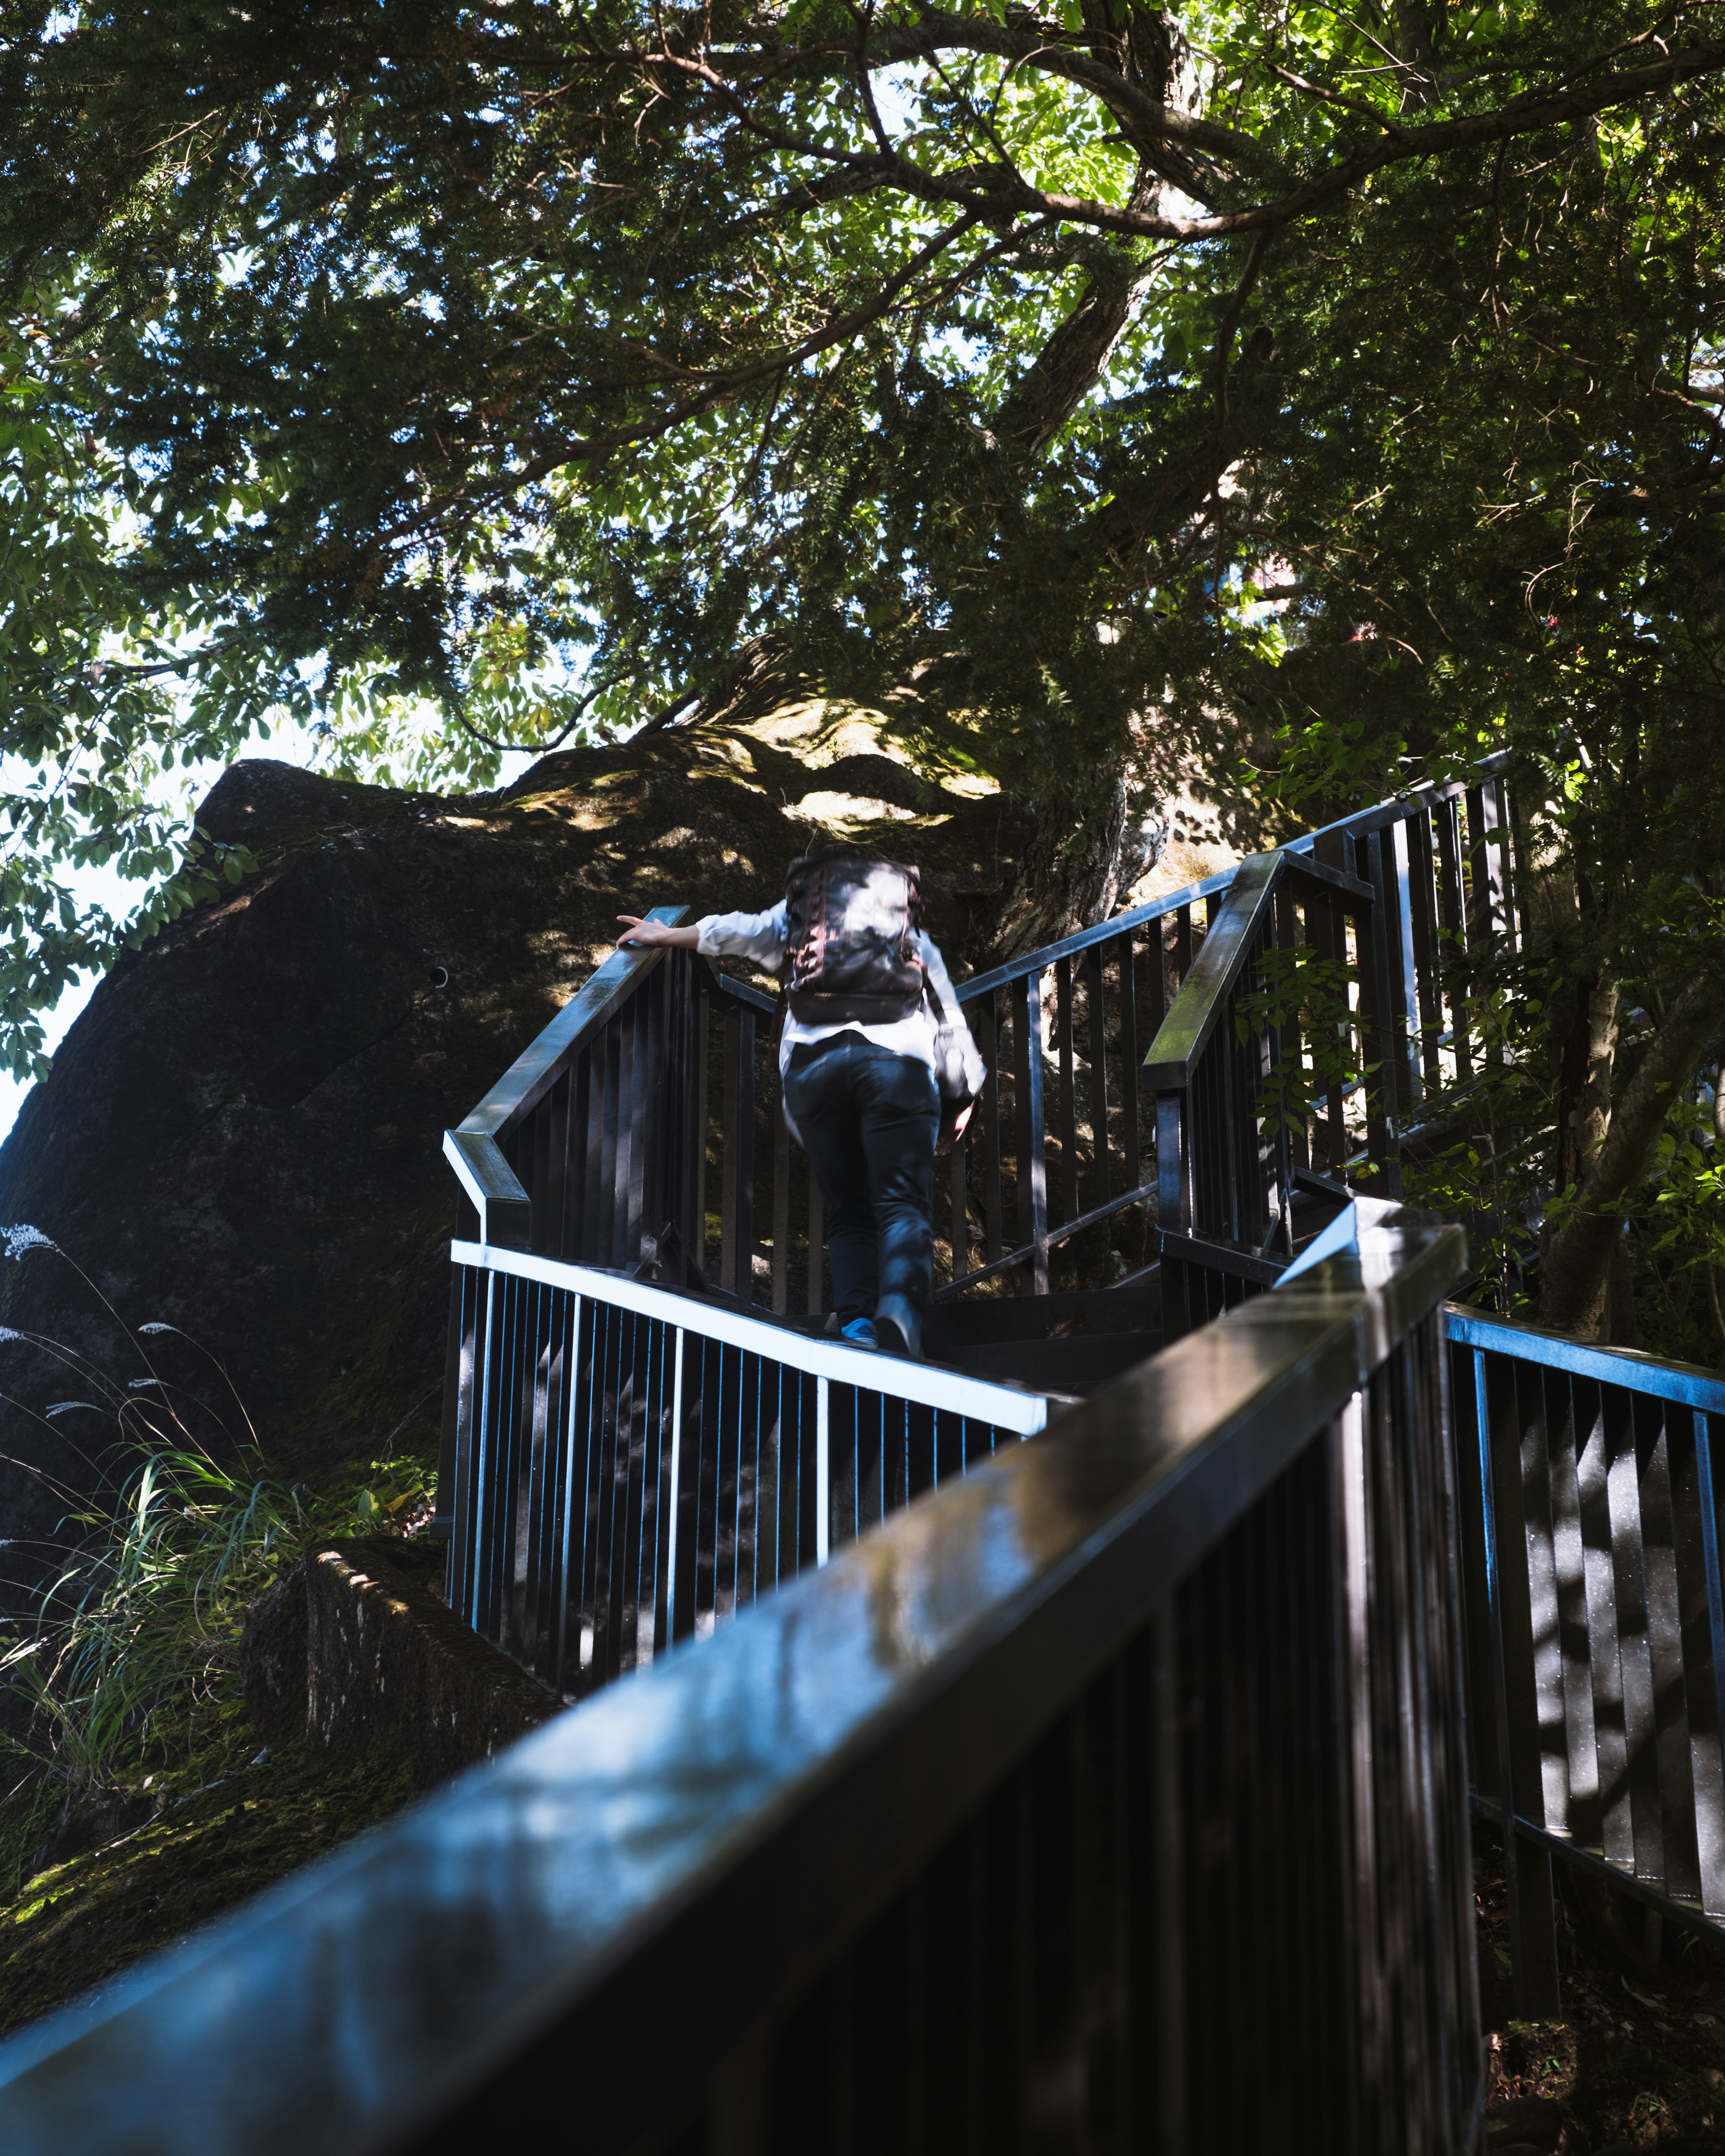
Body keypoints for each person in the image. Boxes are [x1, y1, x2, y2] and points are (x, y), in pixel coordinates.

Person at [617, 854, 985, 1358]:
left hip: (815, 1076)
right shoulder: (912, 945)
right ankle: (899, 1311)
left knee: (850, 1212)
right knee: (902, 1204)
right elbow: (951, 1028)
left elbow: (733, 931)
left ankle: (858, 1326)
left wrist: (663, 936)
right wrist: (961, 1099)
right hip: (898, 1068)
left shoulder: (797, 925)